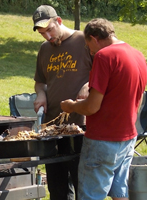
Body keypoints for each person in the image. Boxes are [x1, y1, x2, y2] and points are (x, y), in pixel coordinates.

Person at [60, 18, 147, 200]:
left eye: (88, 45)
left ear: (94, 38)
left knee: (90, 195)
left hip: (103, 140)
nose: (89, 51)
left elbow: (92, 107)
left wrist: (71, 106)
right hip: (128, 137)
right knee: (119, 192)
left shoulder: (104, 56)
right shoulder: (138, 55)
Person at [32, 5, 93, 200]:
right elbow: (40, 82)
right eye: (42, 33)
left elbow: (105, 72)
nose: (48, 37)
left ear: (58, 21)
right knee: (57, 188)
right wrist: (41, 93)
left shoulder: (85, 40)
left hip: (80, 125)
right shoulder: (44, 50)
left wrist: (89, 84)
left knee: (82, 184)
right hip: (53, 128)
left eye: (49, 30)